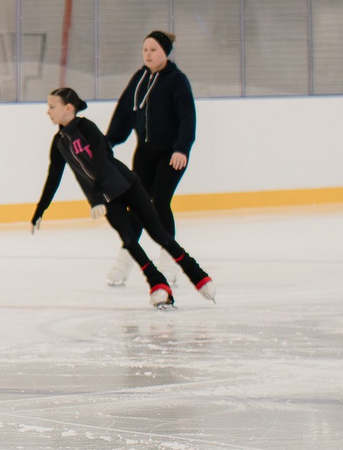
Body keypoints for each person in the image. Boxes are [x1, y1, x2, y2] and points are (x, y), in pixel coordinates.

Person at [31, 86, 217, 307]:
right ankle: (158, 284)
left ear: (68, 108)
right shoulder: (59, 143)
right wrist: (40, 209)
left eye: (52, 106)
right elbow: (54, 176)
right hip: (108, 200)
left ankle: (198, 276)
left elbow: (101, 159)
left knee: (159, 234)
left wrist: (96, 197)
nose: (48, 111)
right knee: (129, 241)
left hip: (127, 186)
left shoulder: (87, 127)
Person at [103, 30, 196, 285]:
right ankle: (123, 264)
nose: (148, 54)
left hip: (171, 154)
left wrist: (182, 148)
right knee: (137, 207)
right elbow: (124, 112)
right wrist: (108, 141)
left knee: (160, 202)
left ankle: (169, 264)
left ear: (165, 52)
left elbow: (187, 117)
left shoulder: (177, 80)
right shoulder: (140, 79)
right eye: (145, 49)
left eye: (153, 49)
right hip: (144, 152)